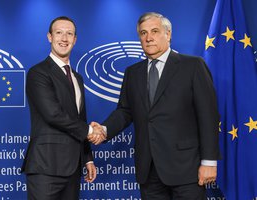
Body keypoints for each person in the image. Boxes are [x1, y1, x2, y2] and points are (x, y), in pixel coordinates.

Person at [89, 12, 220, 199]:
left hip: (187, 169)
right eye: (143, 33)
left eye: (155, 31)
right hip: (149, 170)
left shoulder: (193, 66)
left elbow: (208, 116)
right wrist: (104, 129)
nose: (148, 38)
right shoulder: (132, 73)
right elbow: (125, 111)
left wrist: (209, 161)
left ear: (168, 34)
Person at [22, 16, 105, 200]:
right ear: (49, 37)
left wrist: (88, 158)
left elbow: (79, 120)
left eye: (69, 34)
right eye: (59, 33)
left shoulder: (77, 78)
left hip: (73, 167)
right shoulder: (38, 73)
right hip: (46, 166)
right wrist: (92, 130)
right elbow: (53, 115)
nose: (64, 39)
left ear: (75, 40)